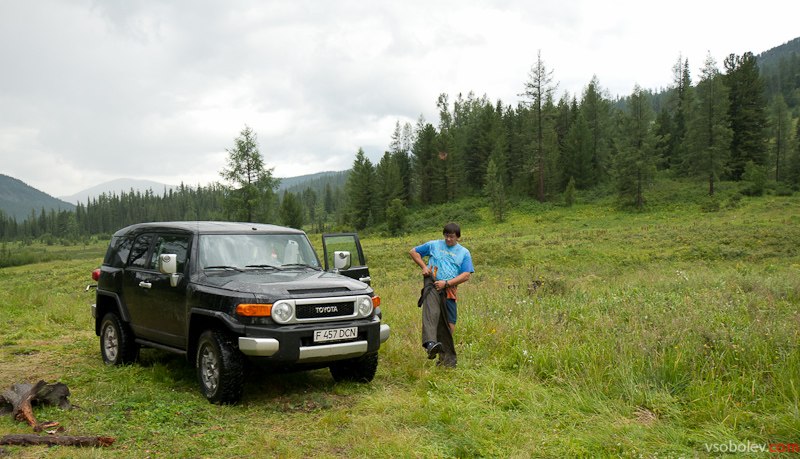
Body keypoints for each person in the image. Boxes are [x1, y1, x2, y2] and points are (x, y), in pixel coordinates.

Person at [409, 222, 474, 367]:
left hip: (449, 289)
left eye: (452, 237)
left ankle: (444, 360)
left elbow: (466, 275)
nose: (449, 239)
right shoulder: (434, 245)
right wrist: (424, 267)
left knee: (450, 324)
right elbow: (413, 252)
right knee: (432, 313)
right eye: (446, 236)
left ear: (458, 237)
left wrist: (447, 283)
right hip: (432, 283)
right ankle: (430, 344)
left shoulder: (464, 253)